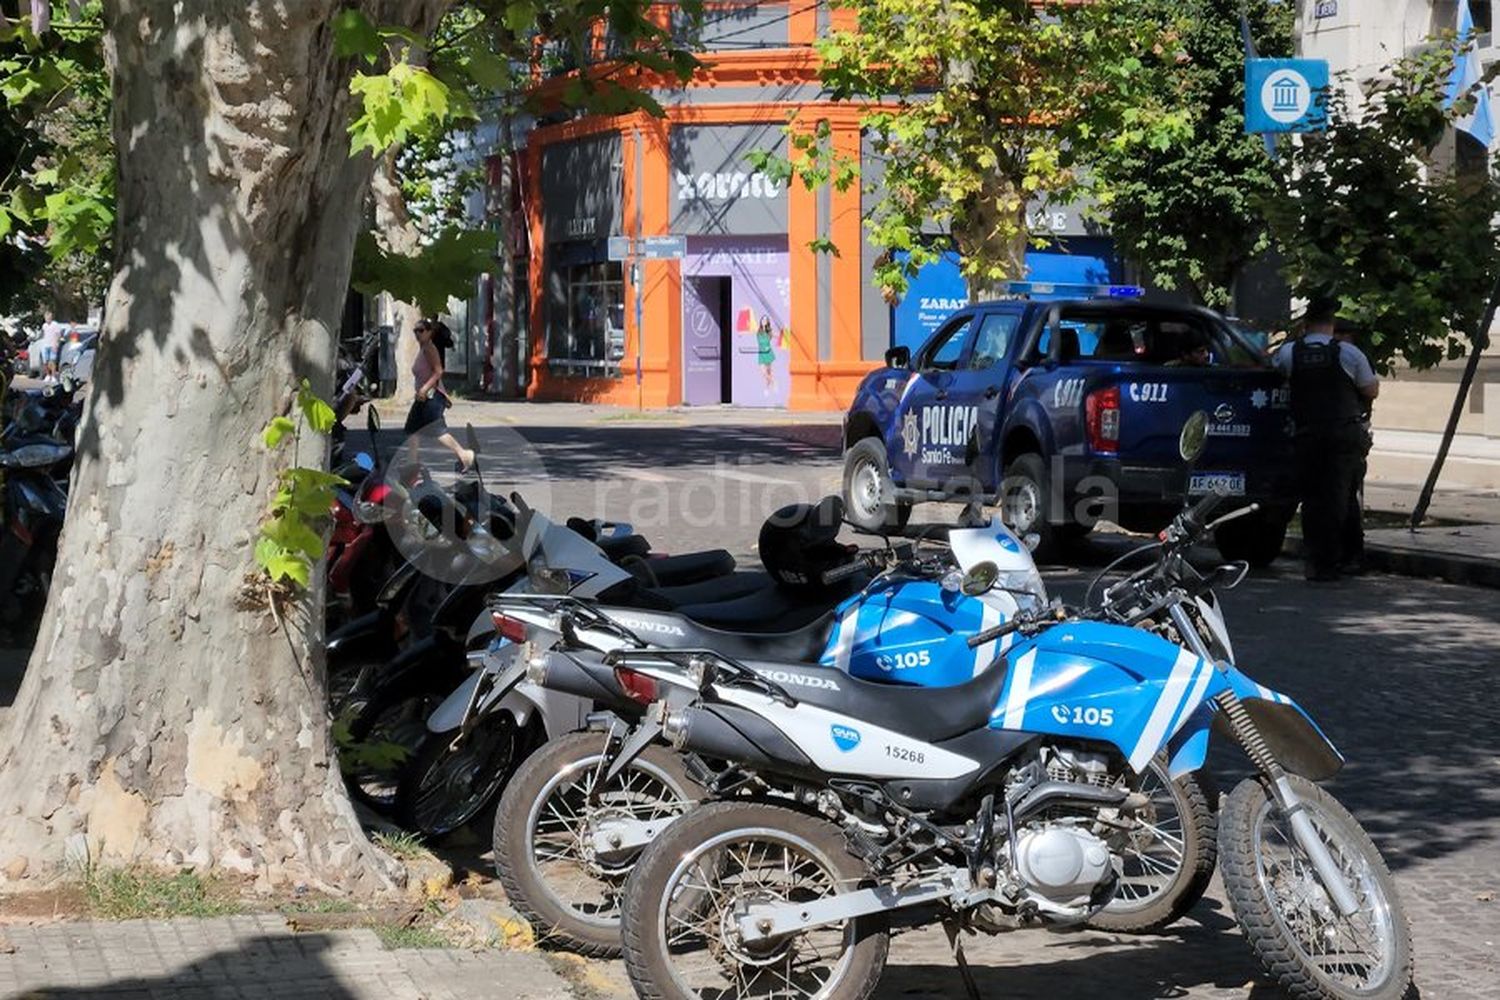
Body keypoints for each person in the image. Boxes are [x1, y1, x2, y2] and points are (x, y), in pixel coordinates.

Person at [1273, 296, 1379, 582]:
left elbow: (1276, 374)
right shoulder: (1348, 354)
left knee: (1311, 499)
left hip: (1307, 435)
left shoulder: (1289, 352)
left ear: (1305, 326)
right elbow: (1371, 390)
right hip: (1343, 436)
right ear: (1332, 326)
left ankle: (1316, 561)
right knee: (1340, 497)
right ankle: (1339, 560)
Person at [404, 318, 475, 472]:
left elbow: (438, 371)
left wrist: (424, 389)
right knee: (412, 430)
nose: (418, 334)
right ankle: (411, 464)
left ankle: (464, 455)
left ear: (429, 332)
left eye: (421, 330)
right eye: (415, 331)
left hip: (432, 397)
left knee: (437, 431)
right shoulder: (423, 348)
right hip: (423, 397)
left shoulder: (430, 348)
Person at [39, 310, 65, 382]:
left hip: (52, 345)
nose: (48, 319)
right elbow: (43, 334)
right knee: (45, 361)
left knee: (52, 361)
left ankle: (53, 376)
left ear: (51, 317)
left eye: (49, 317)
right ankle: (48, 375)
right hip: (45, 345)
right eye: (46, 317)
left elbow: (58, 335)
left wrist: (56, 344)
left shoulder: (55, 325)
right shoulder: (44, 325)